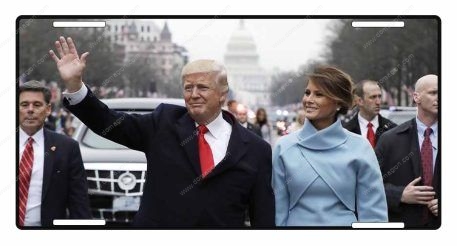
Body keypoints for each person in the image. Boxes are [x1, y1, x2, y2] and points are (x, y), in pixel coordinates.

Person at [49, 36, 274, 227]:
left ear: (223, 94)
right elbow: (108, 121)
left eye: (203, 87)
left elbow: (262, 217)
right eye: (188, 88)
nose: (194, 94)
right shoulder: (163, 124)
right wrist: (76, 87)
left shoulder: (256, 150)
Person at [272, 66, 388, 226]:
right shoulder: (283, 147)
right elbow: (278, 211)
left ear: (338, 103)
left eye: (319, 94)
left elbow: (373, 214)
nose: (309, 100)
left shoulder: (361, 147)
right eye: (307, 93)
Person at [18, 80, 91, 227]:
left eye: (37, 105)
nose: (30, 110)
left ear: (48, 109)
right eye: (24, 105)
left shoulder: (67, 148)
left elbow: (79, 203)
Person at [375, 74, 439, 228]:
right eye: (433, 93)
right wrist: (400, 194)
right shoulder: (389, 140)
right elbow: (368, 186)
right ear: (416, 97)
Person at [344, 80, 397, 147]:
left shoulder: (393, 129)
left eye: (379, 96)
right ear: (360, 101)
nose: (378, 102)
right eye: (373, 97)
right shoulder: (346, 131)